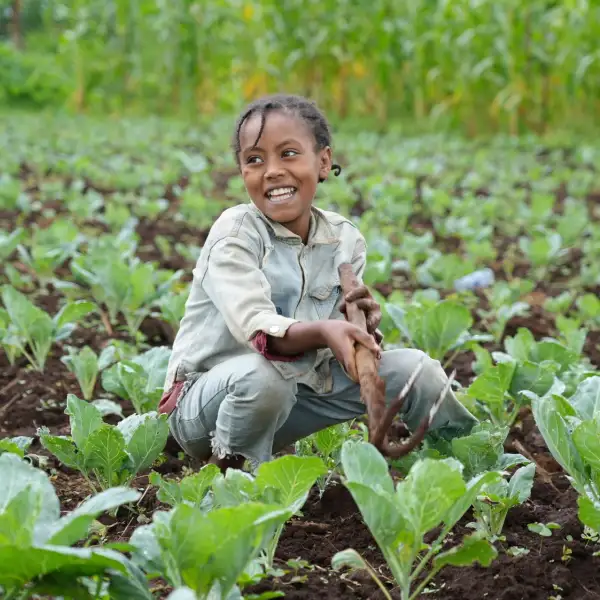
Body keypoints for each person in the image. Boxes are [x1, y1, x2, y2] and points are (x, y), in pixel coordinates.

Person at [159, 93, 477, 472]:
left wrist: (360, 338)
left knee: (417, 372)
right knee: (263, 379)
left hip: (293, 396)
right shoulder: (236, 232)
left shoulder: (344, 240)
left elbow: (335, 350)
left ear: (323, 161)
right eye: (254, 160)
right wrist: (327, 330)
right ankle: (227, 480)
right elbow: (259, 331)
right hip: (204, 407)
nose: (272, 170)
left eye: (288, 153)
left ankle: (467, 468)